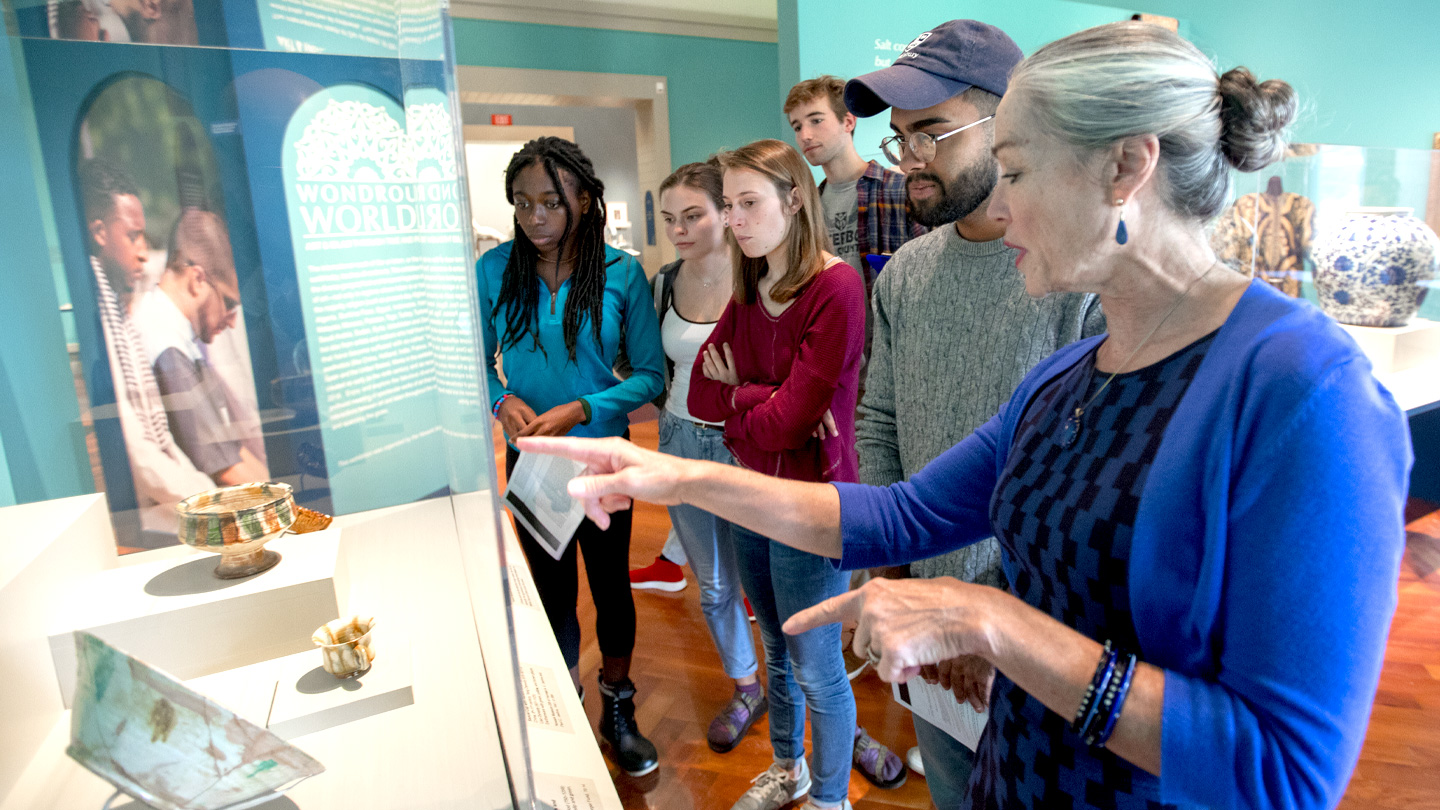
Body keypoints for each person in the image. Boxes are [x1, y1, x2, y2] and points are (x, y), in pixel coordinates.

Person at [517, 22, 1410, 810]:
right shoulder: (1069, 376)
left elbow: (1286, 770)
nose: (1002, 203)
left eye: (1017, 171)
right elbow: (903, 512)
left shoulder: (1302, 389)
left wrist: (992, 623)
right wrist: (679, 475)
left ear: (1127, 166)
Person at [843, 19, 1103, 806]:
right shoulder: (906, 273)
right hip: (928, 616)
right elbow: (878, 418)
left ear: (1008, 126)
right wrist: (895, 572)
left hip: (1037, 625)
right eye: (899, 141)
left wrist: (984, 611)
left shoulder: (1075, 279)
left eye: (931, 134)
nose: (910, 161)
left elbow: (1079, 485)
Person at [476, 136, 664, 778]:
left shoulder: (621, 274)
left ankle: (618, 707)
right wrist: (502, 400)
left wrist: (584, 408)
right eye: (523, 203)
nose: (536, 217)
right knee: (551, 592)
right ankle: (560, 709)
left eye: (551, 202)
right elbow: (473, 364)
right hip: (531, 462)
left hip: (603, 461)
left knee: (611, 589)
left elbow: (649, 376)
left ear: (584, 200)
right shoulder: (493, 270)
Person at [687, 138, 865, 810]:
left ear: (795, 199)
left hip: (812, 502)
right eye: (728, 204)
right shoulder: (749, 283)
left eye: (749, 202)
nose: (734, 219)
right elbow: (701, 396)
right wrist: (761, 395)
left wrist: (751, 398)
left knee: (818, 667)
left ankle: (829, 799)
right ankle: (788, 769)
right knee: (775, 648)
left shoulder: (836, 286)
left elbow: (793, 426)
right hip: (750, 493)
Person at [634, 160, 768, 754]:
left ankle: (806, 690)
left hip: (749, 441)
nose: (680, 230)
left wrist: (747, 382)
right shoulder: (663, 282)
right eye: (669, 219)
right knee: (713, 585)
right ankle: (746, 687)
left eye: (693, 216)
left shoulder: (761, 276)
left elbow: (795, 371)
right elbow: (647, 365)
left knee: (769, 579)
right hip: (683, 441)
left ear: (726, 212)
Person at [80, 160, 214, 536]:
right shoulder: (100, 323)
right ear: (100, 232)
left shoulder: (121, 314)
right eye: (134, 236)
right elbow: (139, 455)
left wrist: (207, 491)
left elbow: (160, 439)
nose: (143, 252)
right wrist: (211, 500)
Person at [134, 209, 268, 487]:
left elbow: (228, 449)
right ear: (197, 279)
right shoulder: (165, 343)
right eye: (229, 304)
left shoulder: (175, 334)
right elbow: (225, 469)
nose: (232, 322)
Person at [785, 75, 926, 286]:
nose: (805, 135)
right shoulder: (806, 207)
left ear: (848, 121)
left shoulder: (899, 190)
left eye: (816, 120)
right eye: (797, 127)